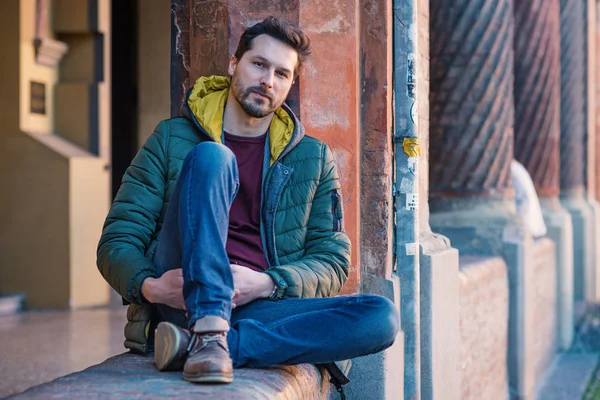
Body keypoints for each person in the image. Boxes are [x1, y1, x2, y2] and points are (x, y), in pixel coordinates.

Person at [97, 16, 399, 386]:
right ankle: (206, 327)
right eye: (259, 64)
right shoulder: (170, 138)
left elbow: (332, 262)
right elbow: (118, 241)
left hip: (258, 309)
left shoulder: (313, 159)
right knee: (213, 157)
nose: (267, 81)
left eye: (282, 74)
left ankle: (206, 346)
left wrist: (265, 283)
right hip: (182, 300)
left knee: (380, 316)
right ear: (233, 65)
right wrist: (151, 287)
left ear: (290, 84)